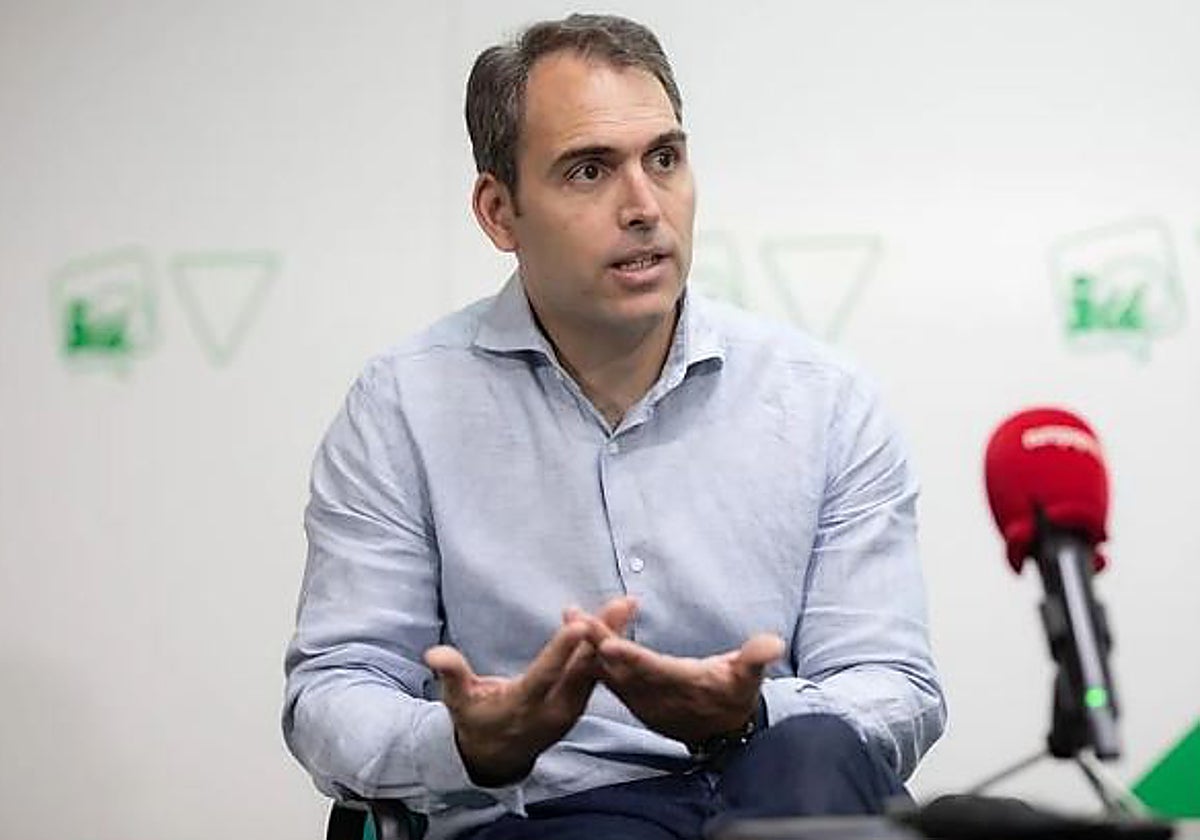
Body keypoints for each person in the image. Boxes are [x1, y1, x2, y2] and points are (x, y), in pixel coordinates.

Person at [283, 13, 946, 840]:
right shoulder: (402, 408)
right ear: (499, 212)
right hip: (551, 808)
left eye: (664, 159)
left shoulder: (824, 401)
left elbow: (893, 685)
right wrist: (470, 743)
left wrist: (749, 713)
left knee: (811, 754)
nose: (643, 207)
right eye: (589, 170)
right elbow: (333, 693)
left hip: (776, 788)